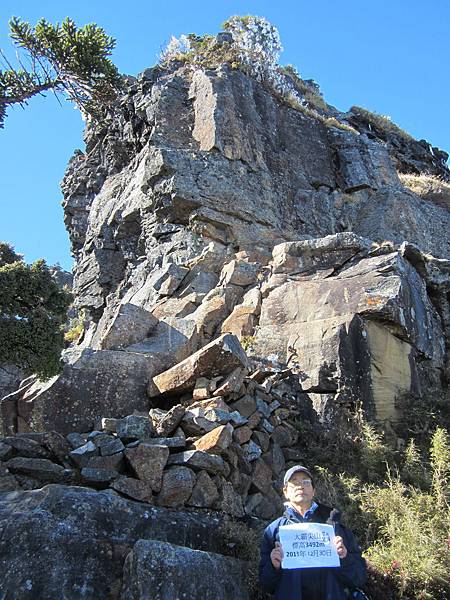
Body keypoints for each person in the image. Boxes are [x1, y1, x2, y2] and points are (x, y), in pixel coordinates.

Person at [259, 465, 367, 599]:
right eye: (294, 482)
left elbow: (359, 578)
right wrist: (273, 566)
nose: (300, 486)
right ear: (285, 492)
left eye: (305, 482)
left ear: (313, 490)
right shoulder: (274, 531)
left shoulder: (334, 527)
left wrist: (344, 558)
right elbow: (267, 585)